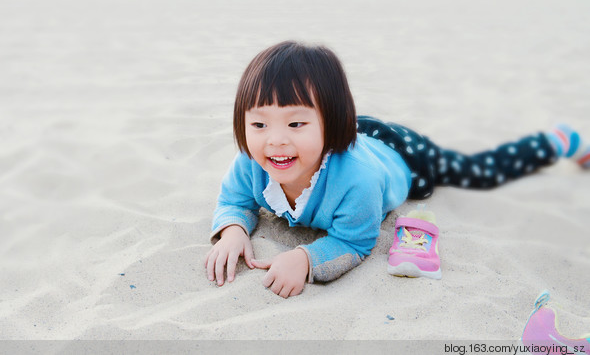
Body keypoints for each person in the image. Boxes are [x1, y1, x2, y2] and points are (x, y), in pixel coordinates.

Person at [204, 41, 589, 298]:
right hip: (359, 133)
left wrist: (305, 259)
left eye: (295, 124)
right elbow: (233, 199)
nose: (275, 141)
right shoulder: (251, 162)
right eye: (259, 124)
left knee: (478, 171)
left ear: (329, 125)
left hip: (404, 156)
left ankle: (557, 141)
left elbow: (354, 242)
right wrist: (232, 230)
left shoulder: (358, 180)